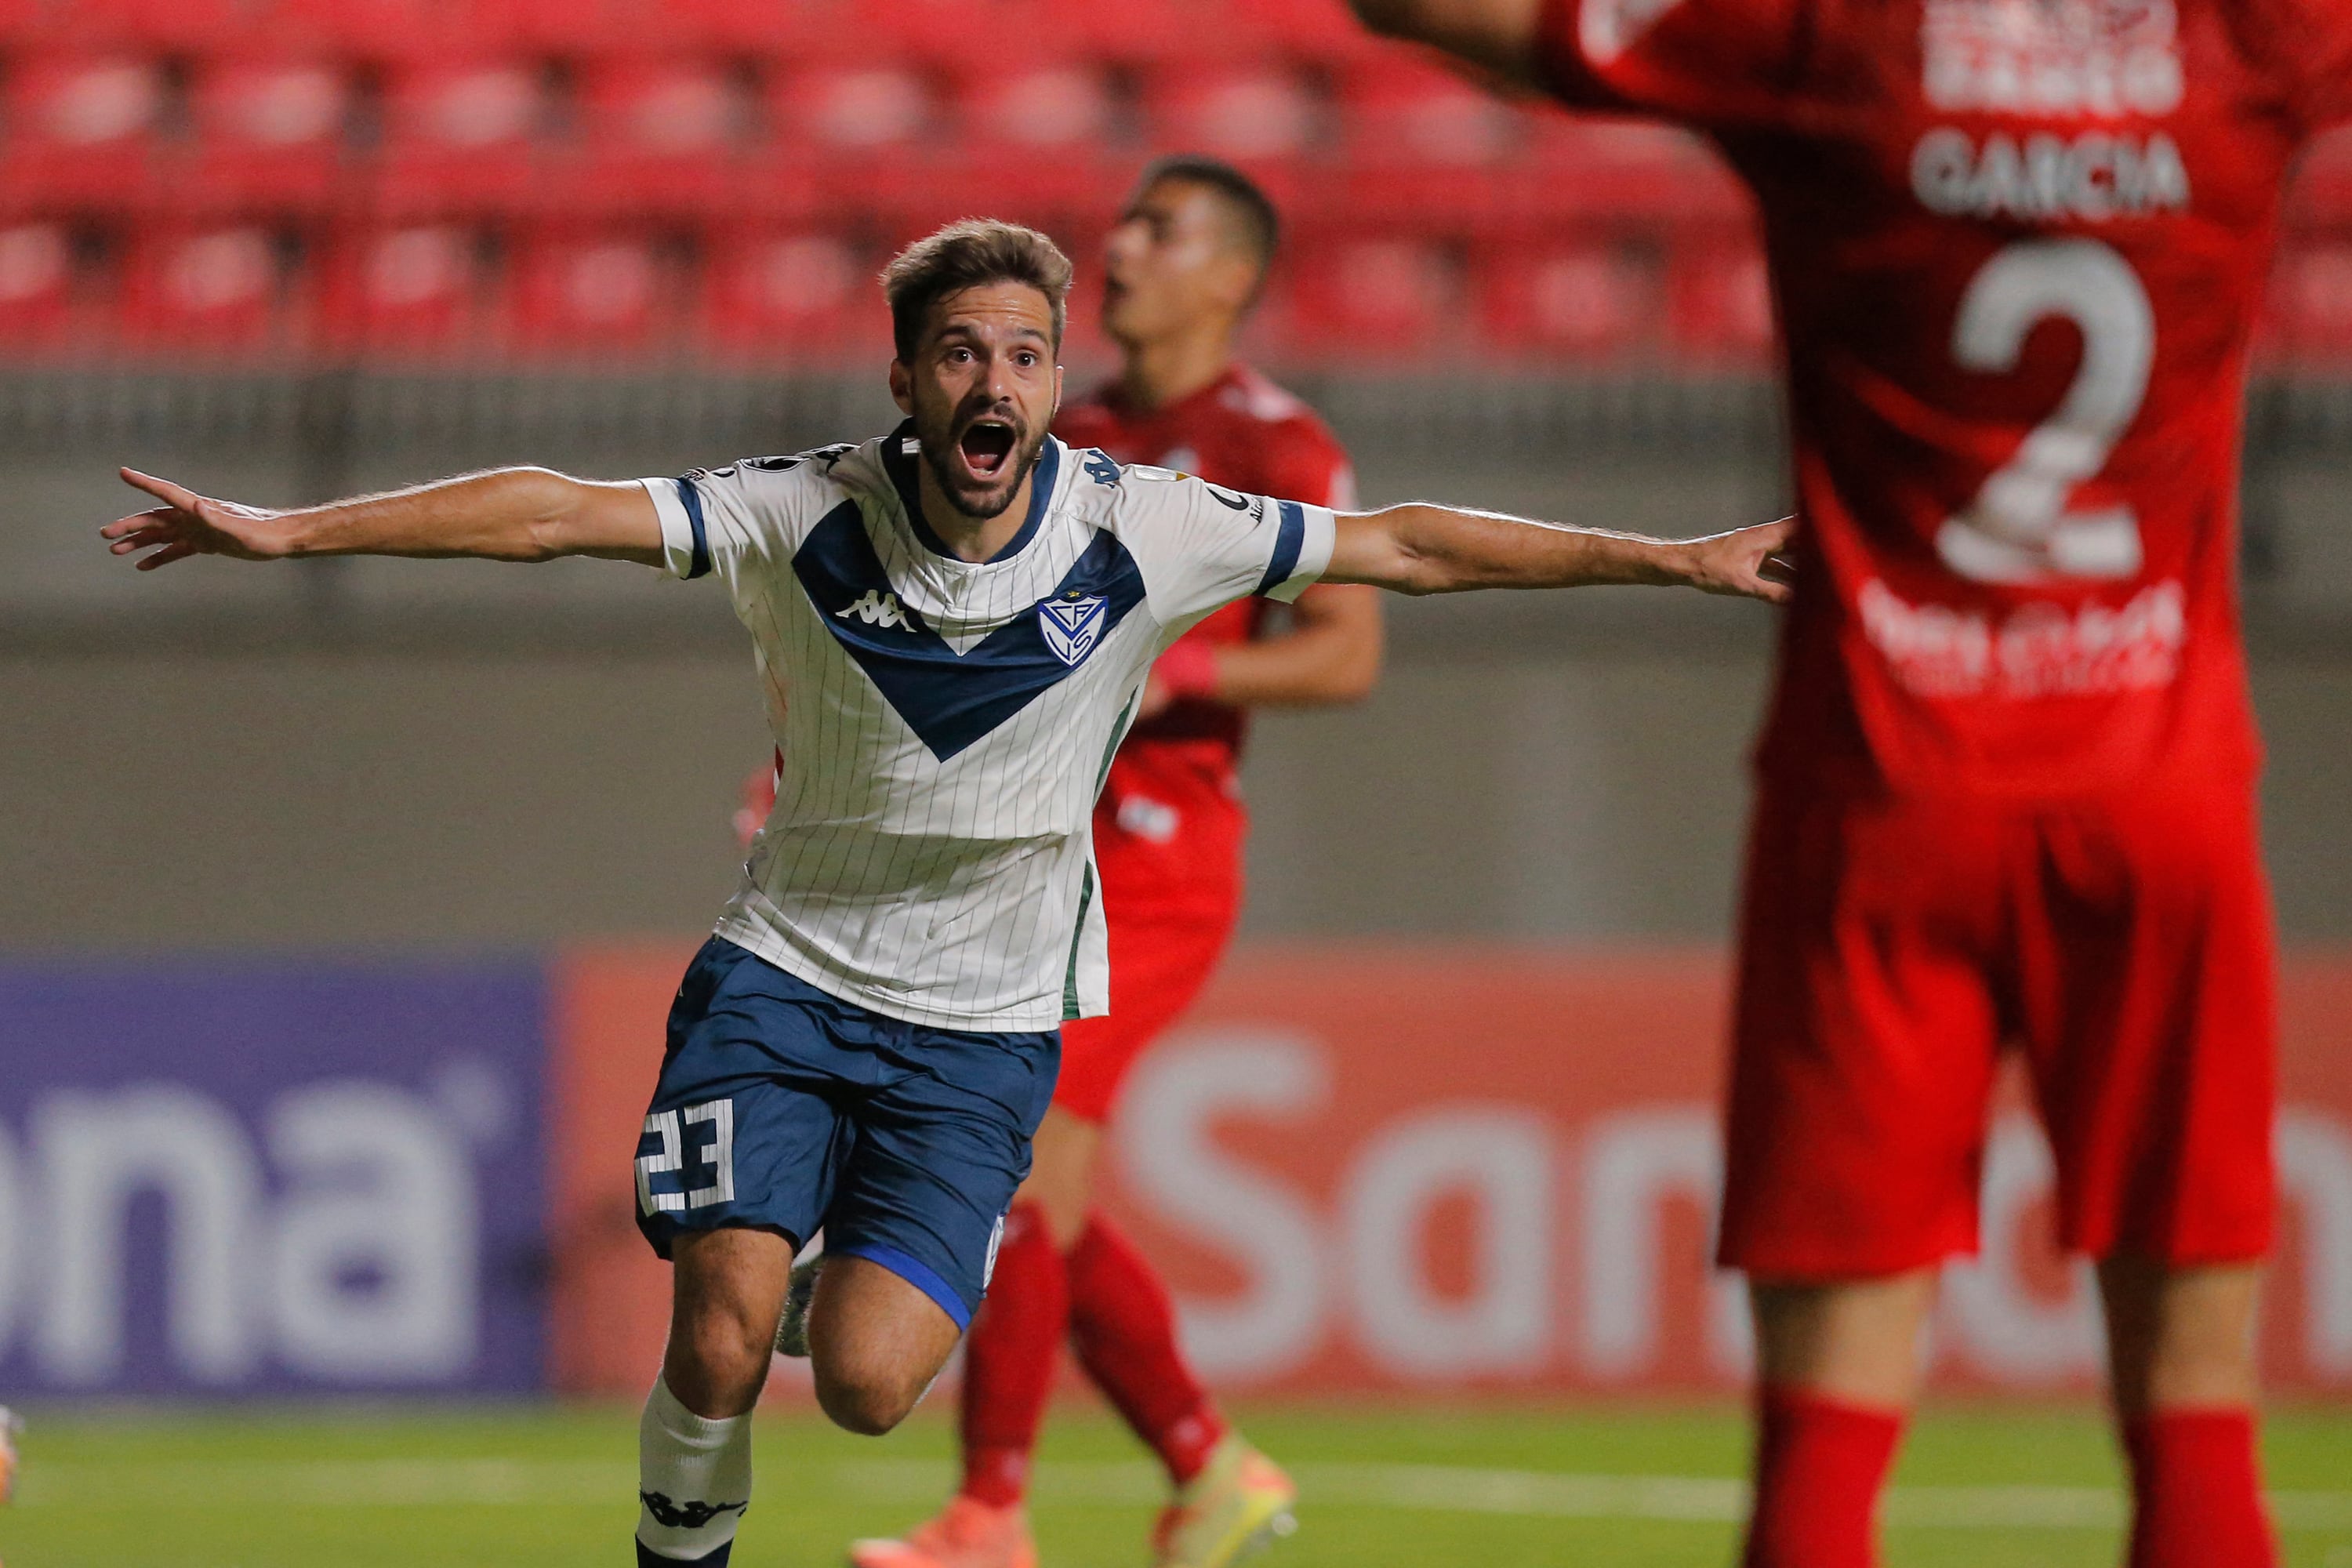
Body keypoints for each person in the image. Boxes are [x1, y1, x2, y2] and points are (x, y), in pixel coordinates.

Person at [100, 217, 1791, 1568]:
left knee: (867, 1386)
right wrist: (290, 531)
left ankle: (857, 1237)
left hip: (984, 1030)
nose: (1000, 379)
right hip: (784, 978)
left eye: (1029, 354)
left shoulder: (1147, 527)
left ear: (1057, 388)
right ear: (908, 376)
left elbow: (1406, 544)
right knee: (717, 1331)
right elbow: (552, 514)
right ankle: (681, 1540)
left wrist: (1674, 557)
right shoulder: (793, 511)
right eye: (966, 351)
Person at [1341, 2, 2343, 1564]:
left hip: (1886, 790)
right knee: (2198, 1408)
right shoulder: (2251, 45)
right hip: (2159, 793)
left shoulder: (1836, 44)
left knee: (1823, 1435)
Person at [848, 159, 1381, 1568]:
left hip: (1159, 854)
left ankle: (993, 1512)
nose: (1124, 246)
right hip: (1031, 841)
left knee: (1020, 1158)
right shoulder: (1059, 430)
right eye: (1127, 221)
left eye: (1163, 229)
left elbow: (1346, 650)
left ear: (1232, 277)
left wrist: (1184, 662)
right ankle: (1209, 1468)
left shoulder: (1275, 441)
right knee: (1037, 1182)